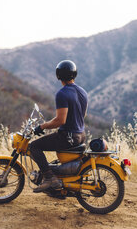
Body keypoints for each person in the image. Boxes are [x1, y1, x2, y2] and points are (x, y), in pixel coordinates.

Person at [30, 60, 88, 193]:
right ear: (74, 74)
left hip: (68, 136)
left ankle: (49, 178)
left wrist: (42, 127)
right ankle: (61, 186)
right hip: (81, 135)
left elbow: (60, 120)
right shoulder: (83, 92)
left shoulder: (62, 93)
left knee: (34, 146)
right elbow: (82, 115)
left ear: (58, 75)